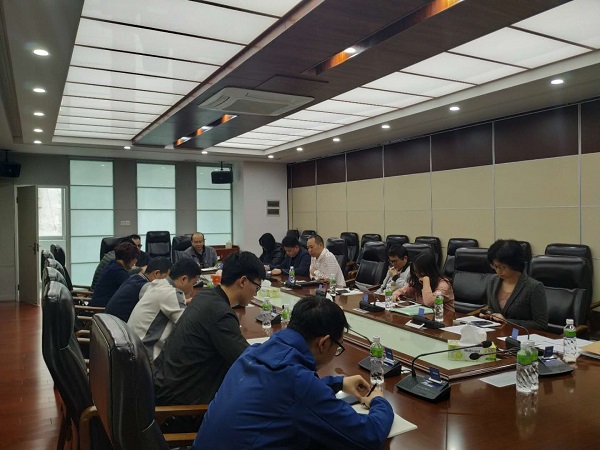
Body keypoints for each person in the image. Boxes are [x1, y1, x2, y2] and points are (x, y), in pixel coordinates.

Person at [193, 296, 393, 449]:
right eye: (338, 347)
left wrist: (337, 383)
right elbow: (369, 436)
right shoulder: (298, 382)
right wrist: (379, 401)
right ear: (324, 343)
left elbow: (282, 392)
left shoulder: (253, 353)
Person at [153, 251, 266, 429]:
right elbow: (248, 363)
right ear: (243, 281)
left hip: (166, 388)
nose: (255, 293)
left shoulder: (206, 296)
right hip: (182, 410)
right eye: (256, 287)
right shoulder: (220, 313)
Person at [127, 258, 201, 361]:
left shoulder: (159, 284)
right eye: (193, 283)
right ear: (184, 279)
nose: (192, 289)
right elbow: (188, 326)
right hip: (147, 357)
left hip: (132, 349)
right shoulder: (171, 293)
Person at [480, 239, 548, 330]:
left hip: (521, 336)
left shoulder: (533, 287)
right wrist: (489, 315)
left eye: (502, 267)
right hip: (496, 333)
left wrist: (507, 322)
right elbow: (492, 308)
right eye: (495, 266)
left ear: (514, 264)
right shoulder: (493, 281)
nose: (498, 271)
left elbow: (541, 324)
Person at [105, 257, 171, 322]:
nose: (168, 282)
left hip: (109, 322)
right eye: (167, 278)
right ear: (156, 273)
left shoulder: (135, 278)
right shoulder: (145, 287)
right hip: (119, 325)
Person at [89, 242, 139, 307]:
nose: (134, 264)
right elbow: (131, 290)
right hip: (102, 309)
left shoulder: (113, 265)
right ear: (129, 258)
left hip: (101, 305)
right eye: (134, 260)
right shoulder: (118, 271)